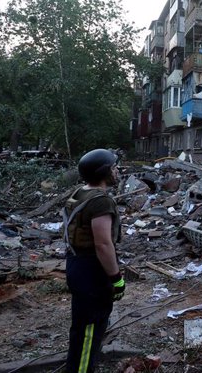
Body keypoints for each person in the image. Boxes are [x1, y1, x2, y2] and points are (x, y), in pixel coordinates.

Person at [63, 149, 125, 373]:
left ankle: (77, 366)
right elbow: (103, 244)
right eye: (113, 167)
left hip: (76, 264)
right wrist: (116, 279)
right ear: (104, 172)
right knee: (90, 330)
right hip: (92, 271)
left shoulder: (80, 192)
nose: (117, 171)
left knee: (81, 328)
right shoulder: (100, 202)